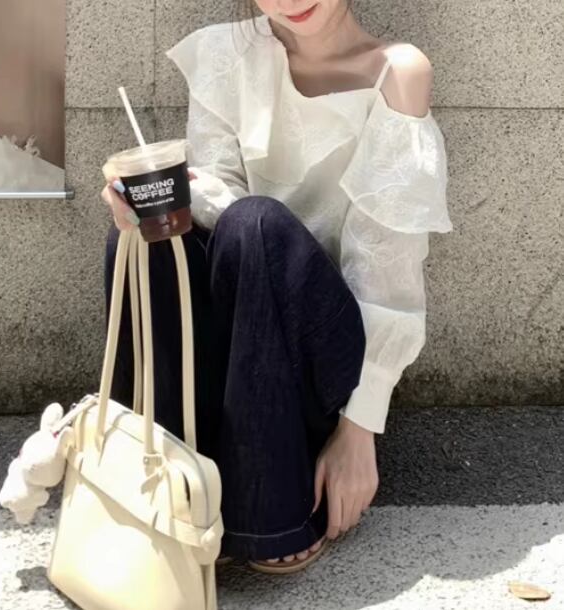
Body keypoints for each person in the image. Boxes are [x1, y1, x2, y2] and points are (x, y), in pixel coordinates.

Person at [101, 0, 453, 574]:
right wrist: (148, 205)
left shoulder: (397, 70)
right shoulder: (226, 53)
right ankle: (164, 487)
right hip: (239, 339)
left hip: (323, 355)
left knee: (257, 221)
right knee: (147, 240)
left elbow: (387, 263)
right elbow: (217, 203)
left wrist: (360, 428)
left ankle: (272, 515)